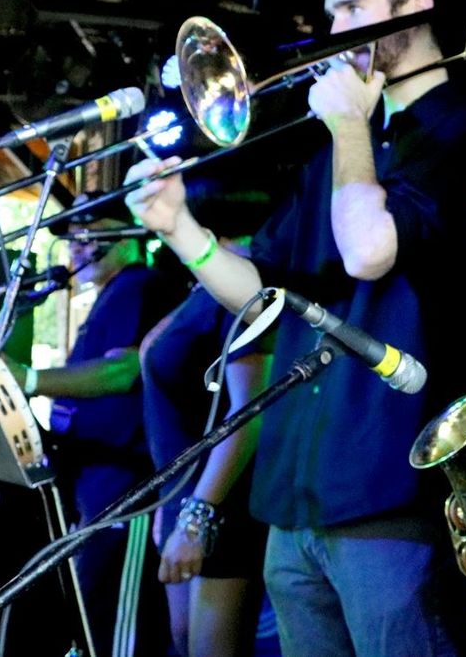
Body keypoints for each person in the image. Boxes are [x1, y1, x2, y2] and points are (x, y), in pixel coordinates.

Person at [124, 0, 466, 657]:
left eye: (353, 9)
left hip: (391, 499)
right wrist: (180, 228)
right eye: (331, 13)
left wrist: (349, 124)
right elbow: (262, 296)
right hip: (295, 502)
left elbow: (369, 251)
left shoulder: (462, 131)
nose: (334, 32)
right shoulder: (336, 155)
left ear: (416, 8)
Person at [21, 219, 183, 657]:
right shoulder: (110, 293)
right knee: (90, 615)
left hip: (124, 483)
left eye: (92, 234)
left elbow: (124, 371)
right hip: (92, 480)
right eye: (73, 237)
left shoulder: (142, 285)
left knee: (115, 627)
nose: (78, 246)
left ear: (129, 236)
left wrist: (29, 380)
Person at [140, 279, 275, 657]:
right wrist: (170, 503)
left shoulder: (237, 287)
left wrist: (197, 517)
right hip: (183, 500)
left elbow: (249, 412)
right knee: (185, 643)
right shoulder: (200, 291)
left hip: (218, 503)